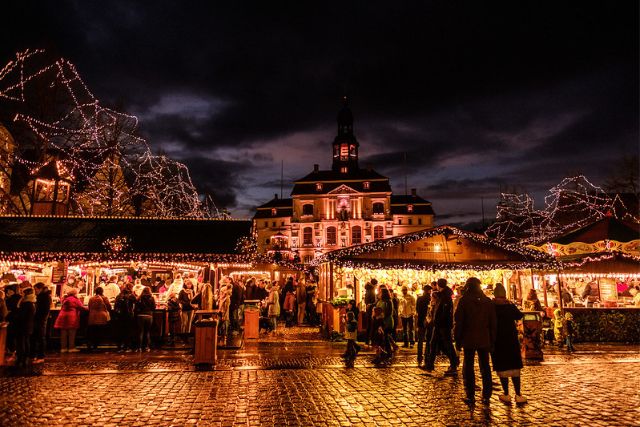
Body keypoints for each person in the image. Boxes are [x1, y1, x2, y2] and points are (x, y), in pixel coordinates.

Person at [453, 277, 497, 405]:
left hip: (468, 338)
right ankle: (486, 395)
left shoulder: (464, 301)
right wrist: (492, 339)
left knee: (469, 367)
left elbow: (459, 322)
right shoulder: (487, 301)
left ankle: (470, 394)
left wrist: (458, 339)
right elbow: (493, 322)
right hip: (484, 338)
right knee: (485, 366)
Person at [491, 283, 527, 404]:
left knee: (502, 369)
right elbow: (519, 315)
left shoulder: (492, 307)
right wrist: (510, 304)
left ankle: (506, 393)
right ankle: (518, 394)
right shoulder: (509, 306)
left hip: (498, 340)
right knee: (514, 368)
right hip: (511, 339)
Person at [425, 279, 458, 375]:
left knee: (446, 345)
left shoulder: (445, 297)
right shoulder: (442, 296)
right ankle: (430, 365)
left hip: (443, 325)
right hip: (439, 324)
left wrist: (438, 321)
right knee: (434, 343)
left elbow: (444, 313)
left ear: (439, 286)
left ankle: (454, 363)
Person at [54, 288, 87, 353]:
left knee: (63, 333)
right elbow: (81, 307)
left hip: (62, 316)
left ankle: (63, 348)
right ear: (75, 294)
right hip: (71, 317)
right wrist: (88, 309)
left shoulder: (65, 299)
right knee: (71, 333)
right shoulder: (75, 299)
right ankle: (71, 348)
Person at [15, 288, 36, 368]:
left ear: (26, 294)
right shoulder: (32, 303)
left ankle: (21, 358)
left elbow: (21, 315)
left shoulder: (26, 304)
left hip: (22, 325)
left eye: (23, 293)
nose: (21, 294)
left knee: (21, 342)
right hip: (29, 326)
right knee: (26, 341)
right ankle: (25, 358)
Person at [31, 283, 51, 362]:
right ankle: (36, 355)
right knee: (37, 338)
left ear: (40, 289)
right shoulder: (42, 296)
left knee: (40, 338)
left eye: (36, 289)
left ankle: (41, 356)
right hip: (40, 320)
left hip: (40, 320)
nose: (35, 291)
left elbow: (43, 310)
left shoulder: (44, 297)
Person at [87, 287, 112, 351]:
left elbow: (89, 307)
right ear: (102, 291)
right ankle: (96, 345)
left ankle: (91, 344)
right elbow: (109, 307)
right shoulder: (104, 298)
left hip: (92, 316)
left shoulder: (91, 298)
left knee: (93, 331)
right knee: (99, 331)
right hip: (101, 317)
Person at [113, 283, 136, 351]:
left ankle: (119, 346)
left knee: (120, 331)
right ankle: (126, 346)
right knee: (128, 331)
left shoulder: (119, 295)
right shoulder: (131, 295)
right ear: (131, 288)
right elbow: (136, 302)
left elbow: (115, 305)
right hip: (128, 315)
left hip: (120, 316)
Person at [135, 287, 156, 352]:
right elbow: (154, 307)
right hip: (149, 316)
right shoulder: (151, 298)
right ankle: (147, 347)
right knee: (147, 332)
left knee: (140, 332)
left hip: (140, 316)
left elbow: (136, 308)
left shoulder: (139, 298)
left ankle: (139, 348)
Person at [415, 284, 431, 367]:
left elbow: (417, 309)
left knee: (420, 340)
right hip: (428, 322)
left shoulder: (419, 298)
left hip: (421, 320)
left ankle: (419, 355)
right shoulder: (430, 299)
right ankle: (427, 355)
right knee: (428, 340)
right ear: (428, 291)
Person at [363, 280, 377, 345]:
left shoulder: (367, 291)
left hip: (368, 311)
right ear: (374, 284)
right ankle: (372, 341)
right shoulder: (372, 291)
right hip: (371, 311)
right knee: (372, 326)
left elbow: (366, 302)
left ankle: (367, 341)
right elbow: (374, 302)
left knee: (368, 326)